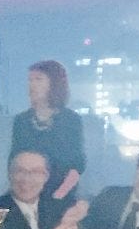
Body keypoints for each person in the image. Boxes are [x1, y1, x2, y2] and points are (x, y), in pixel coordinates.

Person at [0, 150, 85, 229]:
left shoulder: (55, 208)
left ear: (46, 176)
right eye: (20, 171)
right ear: (9, 174)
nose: (26, 179)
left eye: (36, 172)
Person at [9, 60, 86, 200]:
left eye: (38, 79)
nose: (32, 85)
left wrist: (59, 195)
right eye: (30, 80)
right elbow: (14, 162)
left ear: (54, 84)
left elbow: (77, 165)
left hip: (61, 196)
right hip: (25, 195)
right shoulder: (21, 121)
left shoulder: (70, 120)